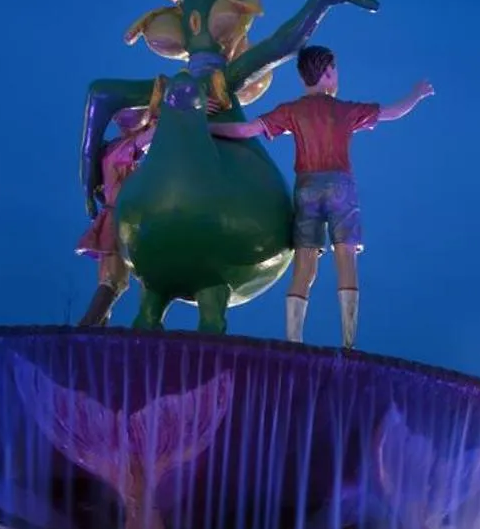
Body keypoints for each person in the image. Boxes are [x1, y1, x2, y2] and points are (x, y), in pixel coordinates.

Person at [210, 44, 432, 349]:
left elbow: (246, 130)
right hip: (341, 187)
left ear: (304, 77)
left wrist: (207, 126)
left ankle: (294, 340)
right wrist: (416, 95)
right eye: (334, 70)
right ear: (326, 73)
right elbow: (392, 112)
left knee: (304, 266)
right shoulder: (344, 110)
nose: (336, 75)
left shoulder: (292, 111)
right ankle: (349, 342)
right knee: (346, 260)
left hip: (306, 189)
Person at [76, 105, 155, 326]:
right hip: (117, 221)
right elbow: (150, 139)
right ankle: (85, 330)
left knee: (112, 282)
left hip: (120, 219)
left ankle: (96, 330)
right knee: (113, 281)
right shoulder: (121, 148)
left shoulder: (113, 149)